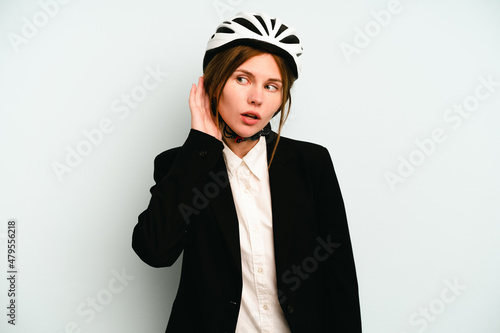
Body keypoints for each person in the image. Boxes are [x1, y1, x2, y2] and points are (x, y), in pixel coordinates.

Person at [132, 12, 362, 333]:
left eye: (272, 86)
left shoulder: (311, 163)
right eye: (242, 78)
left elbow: (339, 278)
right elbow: (155, 251)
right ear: (214, 83)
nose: (256, 98)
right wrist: (199, 146)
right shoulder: (180, 165)